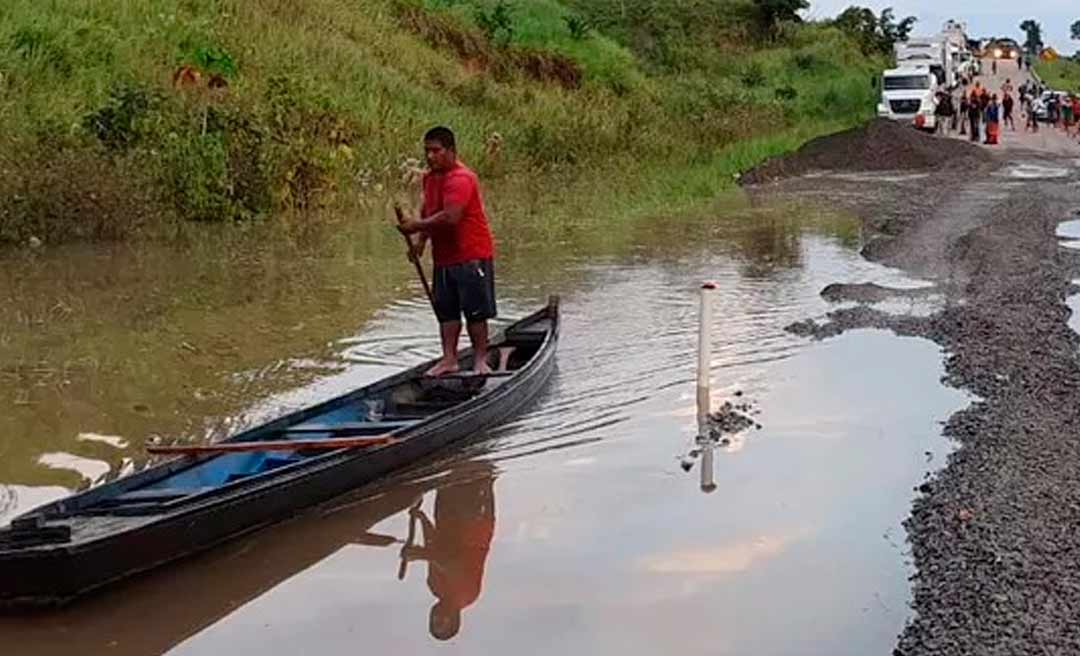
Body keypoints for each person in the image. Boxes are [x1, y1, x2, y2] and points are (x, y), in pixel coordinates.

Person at [399, 126, 497, 377]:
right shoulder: (430, 178)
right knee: (447, 311)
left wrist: (416, 226)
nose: (430, 156)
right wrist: (420, 243)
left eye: (436, 151)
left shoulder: (462, 178)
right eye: (427, 151)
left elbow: (451, 217)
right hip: (444, 257)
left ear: (451, 151)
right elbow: (429, 209)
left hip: (470, 254)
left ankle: (479, 360)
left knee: (475, 312)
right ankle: (449, 359)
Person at [400, 463, 497, 641]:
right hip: (473, 523)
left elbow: (432, 545)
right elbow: (451, 564)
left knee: (447, 478)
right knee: (475, 474)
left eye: (434, 622)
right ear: (454, 620)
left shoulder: (434, 587)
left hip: (447, 523)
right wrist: (419, 554)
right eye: (442, 622)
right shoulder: (466, 595)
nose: (437, 617)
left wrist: (422, 519)